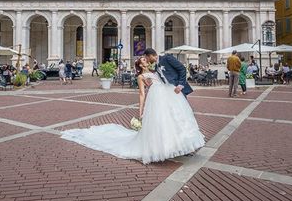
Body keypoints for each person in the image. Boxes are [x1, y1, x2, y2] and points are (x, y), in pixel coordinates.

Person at [61, 55, 204, 164]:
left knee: (174, 122)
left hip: (168, 101)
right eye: (143, 61)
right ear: (140, 65)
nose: (146, 61)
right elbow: (142, 94)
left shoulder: (157, 69)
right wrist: (141, 111)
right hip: (157, 102)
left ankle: (177, 145)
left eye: (145, 59)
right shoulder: (142, 76)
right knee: (161, 125)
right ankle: (164, 148)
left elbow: (168, 77)